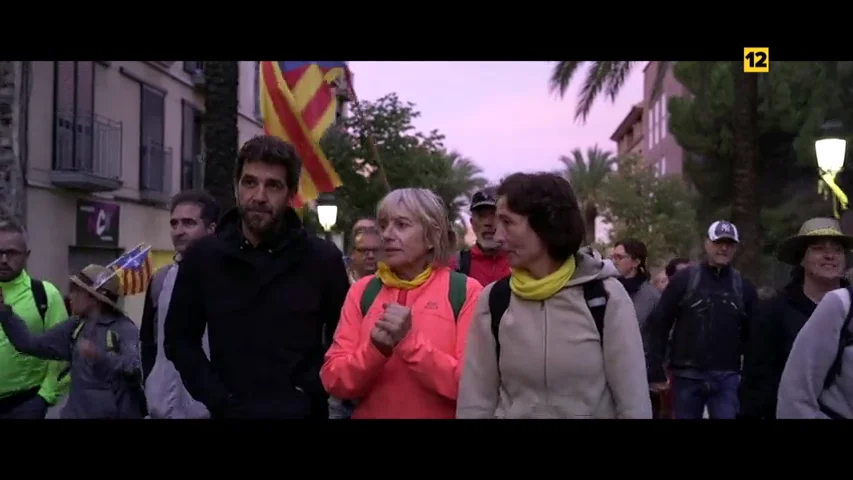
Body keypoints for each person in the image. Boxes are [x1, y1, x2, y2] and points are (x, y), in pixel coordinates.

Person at [164, 135, 349, 419]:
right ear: (237, 187)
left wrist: (308, 388)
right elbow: (179, 339)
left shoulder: (323, 259)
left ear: (290, 195)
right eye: (250, 182)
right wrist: (218, 398)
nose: (259, 196)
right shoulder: (203, 257)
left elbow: (344, 338)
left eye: (272, 185)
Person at [457, 173, 651, 419]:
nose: (498, 236)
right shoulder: (495, 300)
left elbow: (634, 405)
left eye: (507, 222)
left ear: (546, 225)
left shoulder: (604, 297)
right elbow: (476, 403)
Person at [321, 188, 483, 419]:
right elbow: (334, 380)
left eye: (402, 225)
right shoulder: (363, 291)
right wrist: (375, 351)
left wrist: (409, 343)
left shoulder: (464, 291)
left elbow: (470, 386)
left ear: (431, 236)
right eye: (384, 225)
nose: (387, 234)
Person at [644, 221, 759, 419]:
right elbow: (659, 324)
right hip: (686, 377)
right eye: (718, 242)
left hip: (727, 378)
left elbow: (754, 337)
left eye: (729, 244)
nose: (724, 248)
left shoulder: (744, 287)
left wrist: (750, 379)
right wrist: (655, 370)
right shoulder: (684, 280)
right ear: (707, 244)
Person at [0, 264, 145, 418]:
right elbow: (31, 344)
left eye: (76, 291)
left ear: (93, 298)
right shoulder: (75, 327)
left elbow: (135, 369)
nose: (70, 296)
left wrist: (99, 357)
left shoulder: (123, 328)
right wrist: (4, 312)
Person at [741, 218, 851, 418]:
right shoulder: (773, 312)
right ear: (801, 258)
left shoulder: (850, 309)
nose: (830, 256)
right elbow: (757, 382)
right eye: (818, 249)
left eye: (837, 250)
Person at [141, 190, 220, 419]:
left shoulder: (228, 279)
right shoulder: (160, 279)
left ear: (211, 229)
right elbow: (148, 340)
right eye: (174, 223)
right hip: (161, 407)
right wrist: (150, 383)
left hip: (207, 410)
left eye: (188, 223)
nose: (178, 231)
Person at [0, 219, 69, 418]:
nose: (4, 259)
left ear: (26, 255)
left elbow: (62, 355)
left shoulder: (45, 294)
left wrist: (44, 398)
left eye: (12, 253)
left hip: (23, 404)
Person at [329, 224, 382, 419]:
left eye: (375, 251)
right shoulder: (336, 281)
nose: (370, 255)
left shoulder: (393, 287)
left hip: (374, 382)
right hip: (340, 376)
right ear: (352, 253)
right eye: (363, 250)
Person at [450, 187, 510, 286]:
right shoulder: (456, 265)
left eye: (494, 214)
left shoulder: (522, 263)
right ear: (472, 223)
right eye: (482, 215)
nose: (488, 223)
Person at [611, 238, 660, 332]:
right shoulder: (608, 289)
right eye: (612, 257)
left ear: (636, 262)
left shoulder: (651, 296)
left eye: (619, 257)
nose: (614, 262)